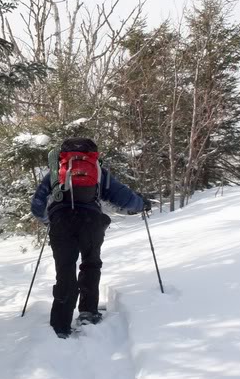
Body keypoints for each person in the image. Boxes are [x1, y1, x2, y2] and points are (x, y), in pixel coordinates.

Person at [30, 137, 151, 338]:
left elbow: (37, 205)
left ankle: (60, 325)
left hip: (61, 221)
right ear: (93, 154)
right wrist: (142, 204)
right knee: (90, 263)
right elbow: (124, 197)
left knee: (65, 269)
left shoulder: (54, 174)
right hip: (91, 221)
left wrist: (47, 219)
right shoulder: (98, 172)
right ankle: (88, 312)